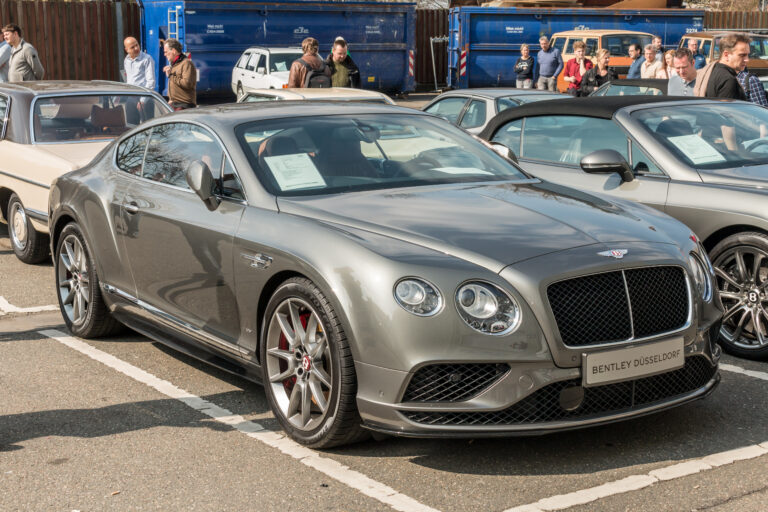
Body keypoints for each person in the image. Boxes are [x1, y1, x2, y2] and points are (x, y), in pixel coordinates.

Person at [694, 33, 749, 100]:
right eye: (742, 55)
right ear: (726, 55)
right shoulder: (728, 79)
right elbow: (726, 109)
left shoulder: (710, 71)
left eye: (747, 55)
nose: (747, 60)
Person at [162, 38, 196, 110]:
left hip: (184, 105)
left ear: (173, 51)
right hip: (175, 104)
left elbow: (187, 83)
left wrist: (171, 75)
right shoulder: (175, 64)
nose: (164, 55)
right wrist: (171, 99)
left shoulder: (186, 63)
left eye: (166, 52)